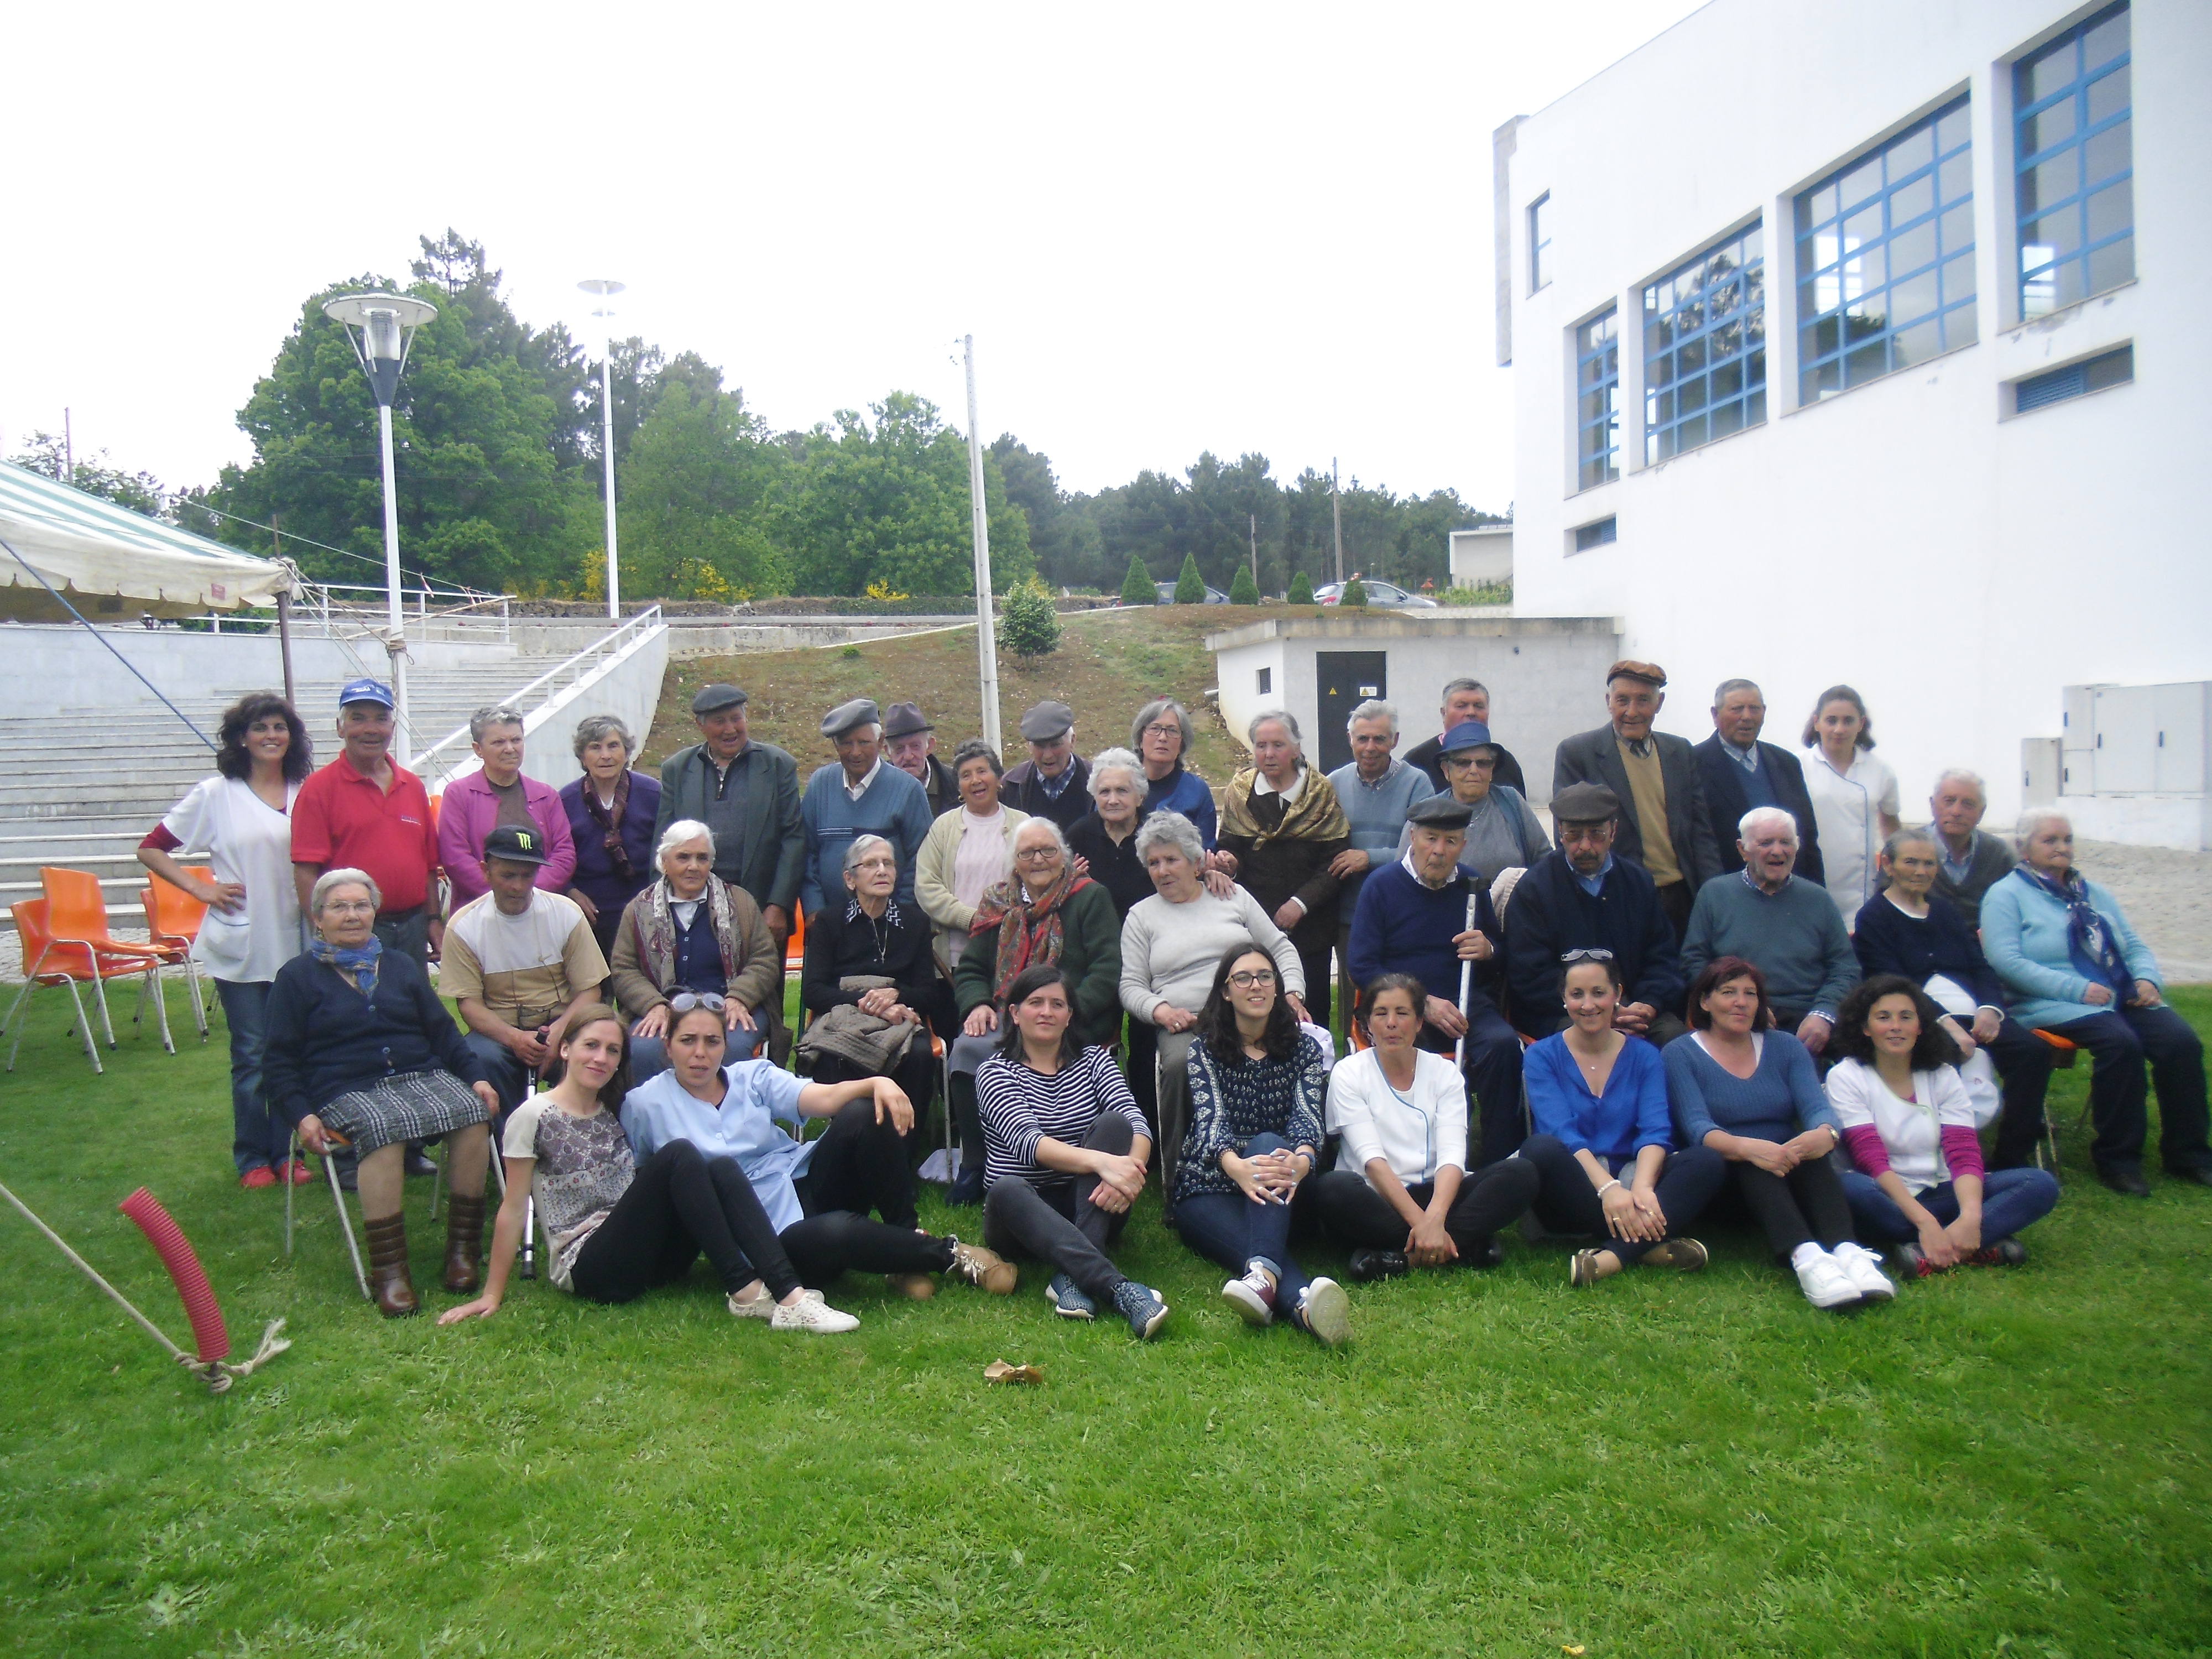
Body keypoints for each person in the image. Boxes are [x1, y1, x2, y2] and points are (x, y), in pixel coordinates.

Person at [437, 1006, 862, 1333]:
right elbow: (513, 1208)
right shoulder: (534, 1115)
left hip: (654, 1257)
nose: (601, 1058)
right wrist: (492, 1293)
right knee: (681, 1153)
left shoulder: (612, 1110)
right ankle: (752, 1292)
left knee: (721, 1165)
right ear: (565, 1049)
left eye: (612, 1050)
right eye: (590, 1046)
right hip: (594, 1266)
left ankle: (788, 1295)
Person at [624, 1000, 1016, 1303]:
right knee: (835, 1229)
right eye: (687, 1041)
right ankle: (947, 1255)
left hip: (800, 1180)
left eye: (712, 1042)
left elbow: (823, 1098)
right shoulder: (645, 1104)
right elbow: (648, 1181)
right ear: (668, 1047)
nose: (700, 1054)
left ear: (725, 1047)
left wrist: (877, 1083)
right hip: (760, 1234)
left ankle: (903, 1239)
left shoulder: (750, 1076)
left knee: (865, 1113)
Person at [264, 869, 501, 1317]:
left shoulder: (398, 965)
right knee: (383, 1126)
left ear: (374, 912)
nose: (352, 916)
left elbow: (443, 1032)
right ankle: (390, 1272)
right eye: (339, 907)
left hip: (418, 1076)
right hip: (344, 1088)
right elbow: (277, 1062)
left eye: (361, 905)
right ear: (318, 918)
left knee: (473, 1113)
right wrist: (302, 1116)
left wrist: (477, 1078)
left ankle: (463, 1252)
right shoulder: (296, 977)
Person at [1981, 810, 2212, 1196]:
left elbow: (2133, 944)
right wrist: (2076, 989)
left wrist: (2146, 979)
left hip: (2118, 994)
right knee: (2120, 1044)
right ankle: (2118, 1159)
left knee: (2180, 1043)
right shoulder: (2006, 894)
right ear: (2023, 847)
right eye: (2050, 840)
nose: (2062, 847)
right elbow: (2006, 962)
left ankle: (2189, 1153)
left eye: (2067, 839)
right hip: (2050, 1001)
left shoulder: (2093, 892)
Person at [138, 691, 312, 1189]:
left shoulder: (309, 790)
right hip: (242, 942)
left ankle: (289, 1152)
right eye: (260, 728)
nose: (271, 736)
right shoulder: (216, 794)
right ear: (242, 738)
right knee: (253, 1054)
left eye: (279, 727)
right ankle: (253, 1156)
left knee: (291, 1051)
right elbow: (152, 849)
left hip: (296, 940)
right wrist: (200, 888)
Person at [1667, 957, 1895, 1308]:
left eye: (1750, 994)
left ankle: (1849, 1252)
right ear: (1704, 1001)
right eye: (1728, 992)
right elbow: (1697, 1127)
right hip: (1727, 1176)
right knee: (1756, 1159)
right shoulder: (1680, 1053)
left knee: (1810, 1154)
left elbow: (1818, 1108)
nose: (1741, 1002)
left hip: (1787, 1165)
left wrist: (1824, 1133)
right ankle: (1807, 1258)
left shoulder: (1786, 1047)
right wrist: (1749, 1148)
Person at [977, 964, 1170, 1338]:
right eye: (1035, 1003)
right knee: (1006, 1189)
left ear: (1070, 1017)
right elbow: (1029, 1143)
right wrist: (1105, 1164)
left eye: (1057, 1004)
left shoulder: (1095, 1060)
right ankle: (1121, 1289)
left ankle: (1071, 1277)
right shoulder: (995, 1072)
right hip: (1022, 1215)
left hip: (1093, 1201)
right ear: (1015, 1014)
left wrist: (1129, 1172)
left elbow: (1137, 1122)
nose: (1047, 1012)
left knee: (1116, 1125)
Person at [1172, 946, 1349, 1346]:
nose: (1256, 985)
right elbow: (1210, 1120)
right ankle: (1305, 1306)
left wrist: (1303, 1161)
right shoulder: (1205, 1050)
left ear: (1276, 987)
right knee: (1256, 1242)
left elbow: (1307, 1117)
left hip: (1284, 1184)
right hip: (1211, 1187)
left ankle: (1261, 1277)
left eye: (1265, 976)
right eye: (1243, 978)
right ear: (1225, 992)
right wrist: (1237, 1168)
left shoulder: (1304, 1049)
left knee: (1270, 1142)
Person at [1119, 812, 1305, 1190]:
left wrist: (1292, 995)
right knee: (1175, 1064)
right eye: (1154, 863)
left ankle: (1289, 1160)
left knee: (1297, 1052)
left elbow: (1279, 947)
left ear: (1195, 861)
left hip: (1249, 1011)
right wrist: (1160, 1011)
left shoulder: (1231, 896)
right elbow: (1131, 984)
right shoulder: (1142, 916)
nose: (1162, 870)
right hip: (1187, 1022)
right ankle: (1179, 1177)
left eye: (1172, 859)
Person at [1827, 977, 2062, 1276]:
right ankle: (1967, 1243)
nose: (1896, 1026)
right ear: (1865, 1028)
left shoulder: (1943, 1074)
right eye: (1883, 1018)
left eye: (1906, 1017)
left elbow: (1962, 1152)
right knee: (1850, 1188)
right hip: (1887, 1196)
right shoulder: (1847, 1076)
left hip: (1942, 1189)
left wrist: (1972, 1217)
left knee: (2039, 1184)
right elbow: (1869, 1158)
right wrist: (1924, 1221)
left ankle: (1928, 1249)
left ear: (1921, 1027)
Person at [1313, 972, 1539, 1281]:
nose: (1392, 1023)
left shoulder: (1444, 1073)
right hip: (1376, 1195)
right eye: (1381, 1014)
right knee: (1332, 1189)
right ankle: (1463, 1247)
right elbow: (1372, 1161)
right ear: (1368, 1024)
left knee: (1521, 1174)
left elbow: (1452, 1156)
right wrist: (1421, 1224)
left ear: (1419, 1023)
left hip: (1439, 1195)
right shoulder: (1349, 1073)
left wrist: (1434, 1217)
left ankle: (1397, 1257)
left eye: (1402, 1013)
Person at [1516, 953, 1724, 1288]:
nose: (1588, 1005)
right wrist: (1609, 1189)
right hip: (1574, 1183)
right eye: (1577, 994)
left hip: (1634, 1175)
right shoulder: (1542, 1055)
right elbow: (1561, 1132)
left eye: (1599, 993)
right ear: (1564, 999)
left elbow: (1655, 1130)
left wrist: (1641, 1188)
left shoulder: (1646, 1055)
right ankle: (1650, 1248)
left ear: (1617, 995)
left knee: (1706, 1160)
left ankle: (1611, 1257)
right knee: (1540, 1149)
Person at [1853, 828, 2054, 1170]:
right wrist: (1947, 1024)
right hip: (1920, 1019)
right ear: (1888, 865)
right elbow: (1894, 984)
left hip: (1976, 1015)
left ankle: (2010, 1158)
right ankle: (1938, 1156)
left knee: (2033, 1053)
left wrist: (1991, 1010)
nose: (1921, 871)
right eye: (1911, 862)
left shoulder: (1945, 912)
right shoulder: (1874, 917)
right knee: (1943, 1057)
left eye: (1929, 863)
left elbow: (1980, 965)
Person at [945, 818, 1121, 1206]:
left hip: (1074, 1019)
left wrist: (1063, 1013)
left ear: (1065, 857)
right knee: (968, 1049)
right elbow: (973, 968)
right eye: (1028, 853)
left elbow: (1107, 971)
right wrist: (976, 1002)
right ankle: (976, 1162)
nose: (1038, 859)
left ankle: (1059, 1160)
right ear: (1016, 861)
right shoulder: (998, 902)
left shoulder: (1090, 898)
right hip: (1011, 1016)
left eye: (1048, 850)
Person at [1347, 794, 1523, 1166]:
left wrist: (1489, 949)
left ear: (1464, 844)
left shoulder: (1472, 884)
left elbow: (1500, 958)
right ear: (1413, 837)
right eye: (1430, 838)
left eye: (1450, 841)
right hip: (1403, 1008)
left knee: (1503, 1046)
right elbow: (1361, 965)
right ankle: (1419, 1161)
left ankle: (1500, 1166)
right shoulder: (1381, 886)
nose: (1439, 851)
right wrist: (1421, 1002)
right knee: (1418, 1057)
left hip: (1466, 1003)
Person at [442, 825, 612, 1112]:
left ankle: (597, 1135)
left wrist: (559, 1032)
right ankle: (505, 1144)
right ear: (486, 871)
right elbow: (469, 1006)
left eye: (527, 875)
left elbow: (590, 990)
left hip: (564, 1023)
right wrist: (515, 1039)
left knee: (600, 1050)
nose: (518, 886)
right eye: (508, 875)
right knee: (481, 1058)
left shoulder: (566, 913)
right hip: (501, 1032)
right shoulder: (464, 926)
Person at [1503, 781, 1686, 1045]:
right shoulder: (1535, 889)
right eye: (1574, 835)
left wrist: (1650, 1003)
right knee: (1587, 1043)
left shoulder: (1638, 882)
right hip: (1563, 1012)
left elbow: (1662, 957)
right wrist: (1597, 1009)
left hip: (1634, 1008)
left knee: (1674, 1039)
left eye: (1597, 835)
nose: (1585, 846)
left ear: (1613, 832)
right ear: (1560, 833)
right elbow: (1529, 975)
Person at [798, 836, 954, 1139]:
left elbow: (928, 992)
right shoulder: (829, 923)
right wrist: (866, 1002)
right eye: (870, 864)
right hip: (844, 1016)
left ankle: (904, 1142)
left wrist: (896, 996)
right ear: (850, 879)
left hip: (901, 1018)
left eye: (888, 863)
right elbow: (813, 991)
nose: (882, 870)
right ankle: (850, 1135)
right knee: (832, 1052)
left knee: (921, 1053)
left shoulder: (915, 922)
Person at [1553, 659, 1723, 934]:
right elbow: (1567, 835)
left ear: (1660, 703)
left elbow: (1700, 832)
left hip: (1680, 897)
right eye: (1623, 700)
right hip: (1615, 896)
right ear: (1609, 702)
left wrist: (1714, 893)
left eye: (1643, 700)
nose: (1632, 712)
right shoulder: (1579, 753)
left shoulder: (1679, 751)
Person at [1681, 808, 1859, 1057]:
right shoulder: (1714, 895)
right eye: (1766, 843)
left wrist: (1824, 1013)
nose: (1778, 851)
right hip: (1737, 1017)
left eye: (1786, 842)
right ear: (1743, 849)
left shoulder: (1818, 899)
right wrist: (1742, 1007)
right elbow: (1694, 962)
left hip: (1808, 1019)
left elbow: (1845, 968)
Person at [609, 820, 779, 1081]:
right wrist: (653, 1005)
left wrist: (740, 997)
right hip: (664, 1007)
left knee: (732, 1047)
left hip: (727, 1005)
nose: (693, 866)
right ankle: (655, 1119)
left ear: (711, 863)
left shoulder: (741, 903)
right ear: (665, 862)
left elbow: (764, 960)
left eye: (702, 858)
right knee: (645, 1050)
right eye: (683, 857)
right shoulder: (638, 909)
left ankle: (728, 1118)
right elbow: (624, 969)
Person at [290, 677, 442, 965]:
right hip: (352, 929)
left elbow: (428, 866)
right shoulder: (319, 789)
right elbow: (306, 870)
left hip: (411, 926)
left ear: (393, 728)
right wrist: (322, 927)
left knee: (409, 1007)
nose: (371, 729)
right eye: (358, 719)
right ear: (340, 727)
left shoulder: (412, 786)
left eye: (381, 719)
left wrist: (433, 920)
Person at [1215, 709, 1351, 1026]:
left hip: (1311, 928)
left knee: (1310, 1016)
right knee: (1255, 1018)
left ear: (1296, 749)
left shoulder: (1320, 793)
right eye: (1261, 746)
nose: (1269, 754)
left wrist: (1300, 904)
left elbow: (1336, 862)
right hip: (1253, 925)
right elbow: (1229, 846)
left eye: (1278, 745)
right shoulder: (1240, 791)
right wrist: (1229, 863)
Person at [653, 682, 804, 949]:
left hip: (760, 910)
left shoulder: (778, 765)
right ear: (700, 725)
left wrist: (779, 905)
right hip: (692, 909)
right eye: (719, 721)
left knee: (759, 988)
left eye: (736, 718)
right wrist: (661, 906)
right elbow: (663, 844)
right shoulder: (677, 769)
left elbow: (794, 839)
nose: (730, 729)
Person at [800, 697, 933, 916]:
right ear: (836, 745)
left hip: (889, 926)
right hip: (828, 926)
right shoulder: (819, 785)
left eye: (864, 743)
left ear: (881, 742)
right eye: (846, 744)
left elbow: (921, 862)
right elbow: (807, 855)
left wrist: (897, 916)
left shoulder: (908, 790)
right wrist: (815, 910)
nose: (855, 752)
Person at [1326, 700, 1434, 967]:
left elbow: (1424, 848)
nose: (1370, 747)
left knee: (1405, 993)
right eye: (1362, 739)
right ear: (1350, 739)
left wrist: (1368, 857)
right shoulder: (1333, 784)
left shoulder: (1417, 784)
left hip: (1403, 911)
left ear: (1395, 740)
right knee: (1355, 996)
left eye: (1379, 739)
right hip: (1349, 916)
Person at [436, 705, 578, 909]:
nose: (510, 748)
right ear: (478, 749)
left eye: (516, 740)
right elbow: (455, 858)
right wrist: (502, 896)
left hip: (541, 910)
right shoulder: (459, 794)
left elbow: (564, 853)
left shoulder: (546, 795)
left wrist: (530, 893)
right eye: (499, 742)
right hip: (479, 912)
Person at [1692, 679, 1825, 884]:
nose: (1746, 717)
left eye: (1754, 709)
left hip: (1790, 889)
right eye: (1737, 709)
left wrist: (1816, 894)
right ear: (1715, 714)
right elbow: (1698, 843)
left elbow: (1807, 834)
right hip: (1732, 890)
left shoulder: (1786, 763)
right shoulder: (1694, 764)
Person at [915, 739, 1027, 972]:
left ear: (998, 779)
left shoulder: (1024, 825)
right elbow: (927, 886)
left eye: (982, 771)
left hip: (1013, 952)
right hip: (956, 958)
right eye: (966, 775)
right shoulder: (943, 827)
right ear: (959, 786)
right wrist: (970, 918)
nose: (975, 780)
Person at [560, 714, 661, 961]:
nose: (605, 755)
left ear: (626, 752)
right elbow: (553, 854)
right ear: (583, 757)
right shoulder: (564, 800)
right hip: (588, 912)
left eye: (613, 746)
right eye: (595, 747)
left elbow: (667, 851)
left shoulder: (653, 793)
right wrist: (570, 892)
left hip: (646, 908)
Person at [1392, 719, 1548, 878]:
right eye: (1463, 763)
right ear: (1446, 770)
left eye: (1483, 763)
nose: (1474, 770)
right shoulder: (1427, 813)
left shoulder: (1512, 802)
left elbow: (1545, 860)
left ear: (1492, 769)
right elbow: (1402, 873)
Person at [1799, 685, 1900, 926]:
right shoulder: (1797, 766)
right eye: (1831, 720)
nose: (1839, 729)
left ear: (1861, 724)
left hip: (1860, 889)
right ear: (1817, 723)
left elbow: (1893, 829)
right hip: (1811, 877)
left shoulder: (1880, 770)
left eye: (1848, 721)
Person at [1065, 747, 1154, 919]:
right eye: (1105, 792)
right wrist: (1066, 883)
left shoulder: (1158, 834)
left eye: (1122, 791)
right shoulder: (1079, 835)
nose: (1113, 800)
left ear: (1140, 796)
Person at [1404, 677, 1528, 796]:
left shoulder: (1505, 762)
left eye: (1478, 706)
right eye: (1461, 706)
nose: (1471, 713)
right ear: (1443, 713)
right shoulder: (1417, 762)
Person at [1924, 769, 2014, 927]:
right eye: (1949, 801)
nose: (1956, 812)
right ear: (1932, 805)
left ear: (1982, 812)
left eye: (1968, 804)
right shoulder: (1904, 850)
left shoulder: (1999, 854)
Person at [1131, 697, 1217, 846]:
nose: (1163, 737)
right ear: (1140, 738)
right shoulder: (1120, 785)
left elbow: (1206, 850)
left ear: (1182, 743)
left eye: (1172, 730)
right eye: (1154, 728)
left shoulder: (1197, 791)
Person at [999, 700, 1093, 831]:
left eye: (1056, 745)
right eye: (1040, 746)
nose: (1048, 755)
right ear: (1030, 747)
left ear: (1072, 741)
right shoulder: (1011, 785)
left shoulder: (1098, 783)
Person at [883, 701, 957, 817]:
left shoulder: (956, 784)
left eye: (915, 746)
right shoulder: (876, 788)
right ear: (888, 751)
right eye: (899, 749)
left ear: (930, 746)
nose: (908, 756)